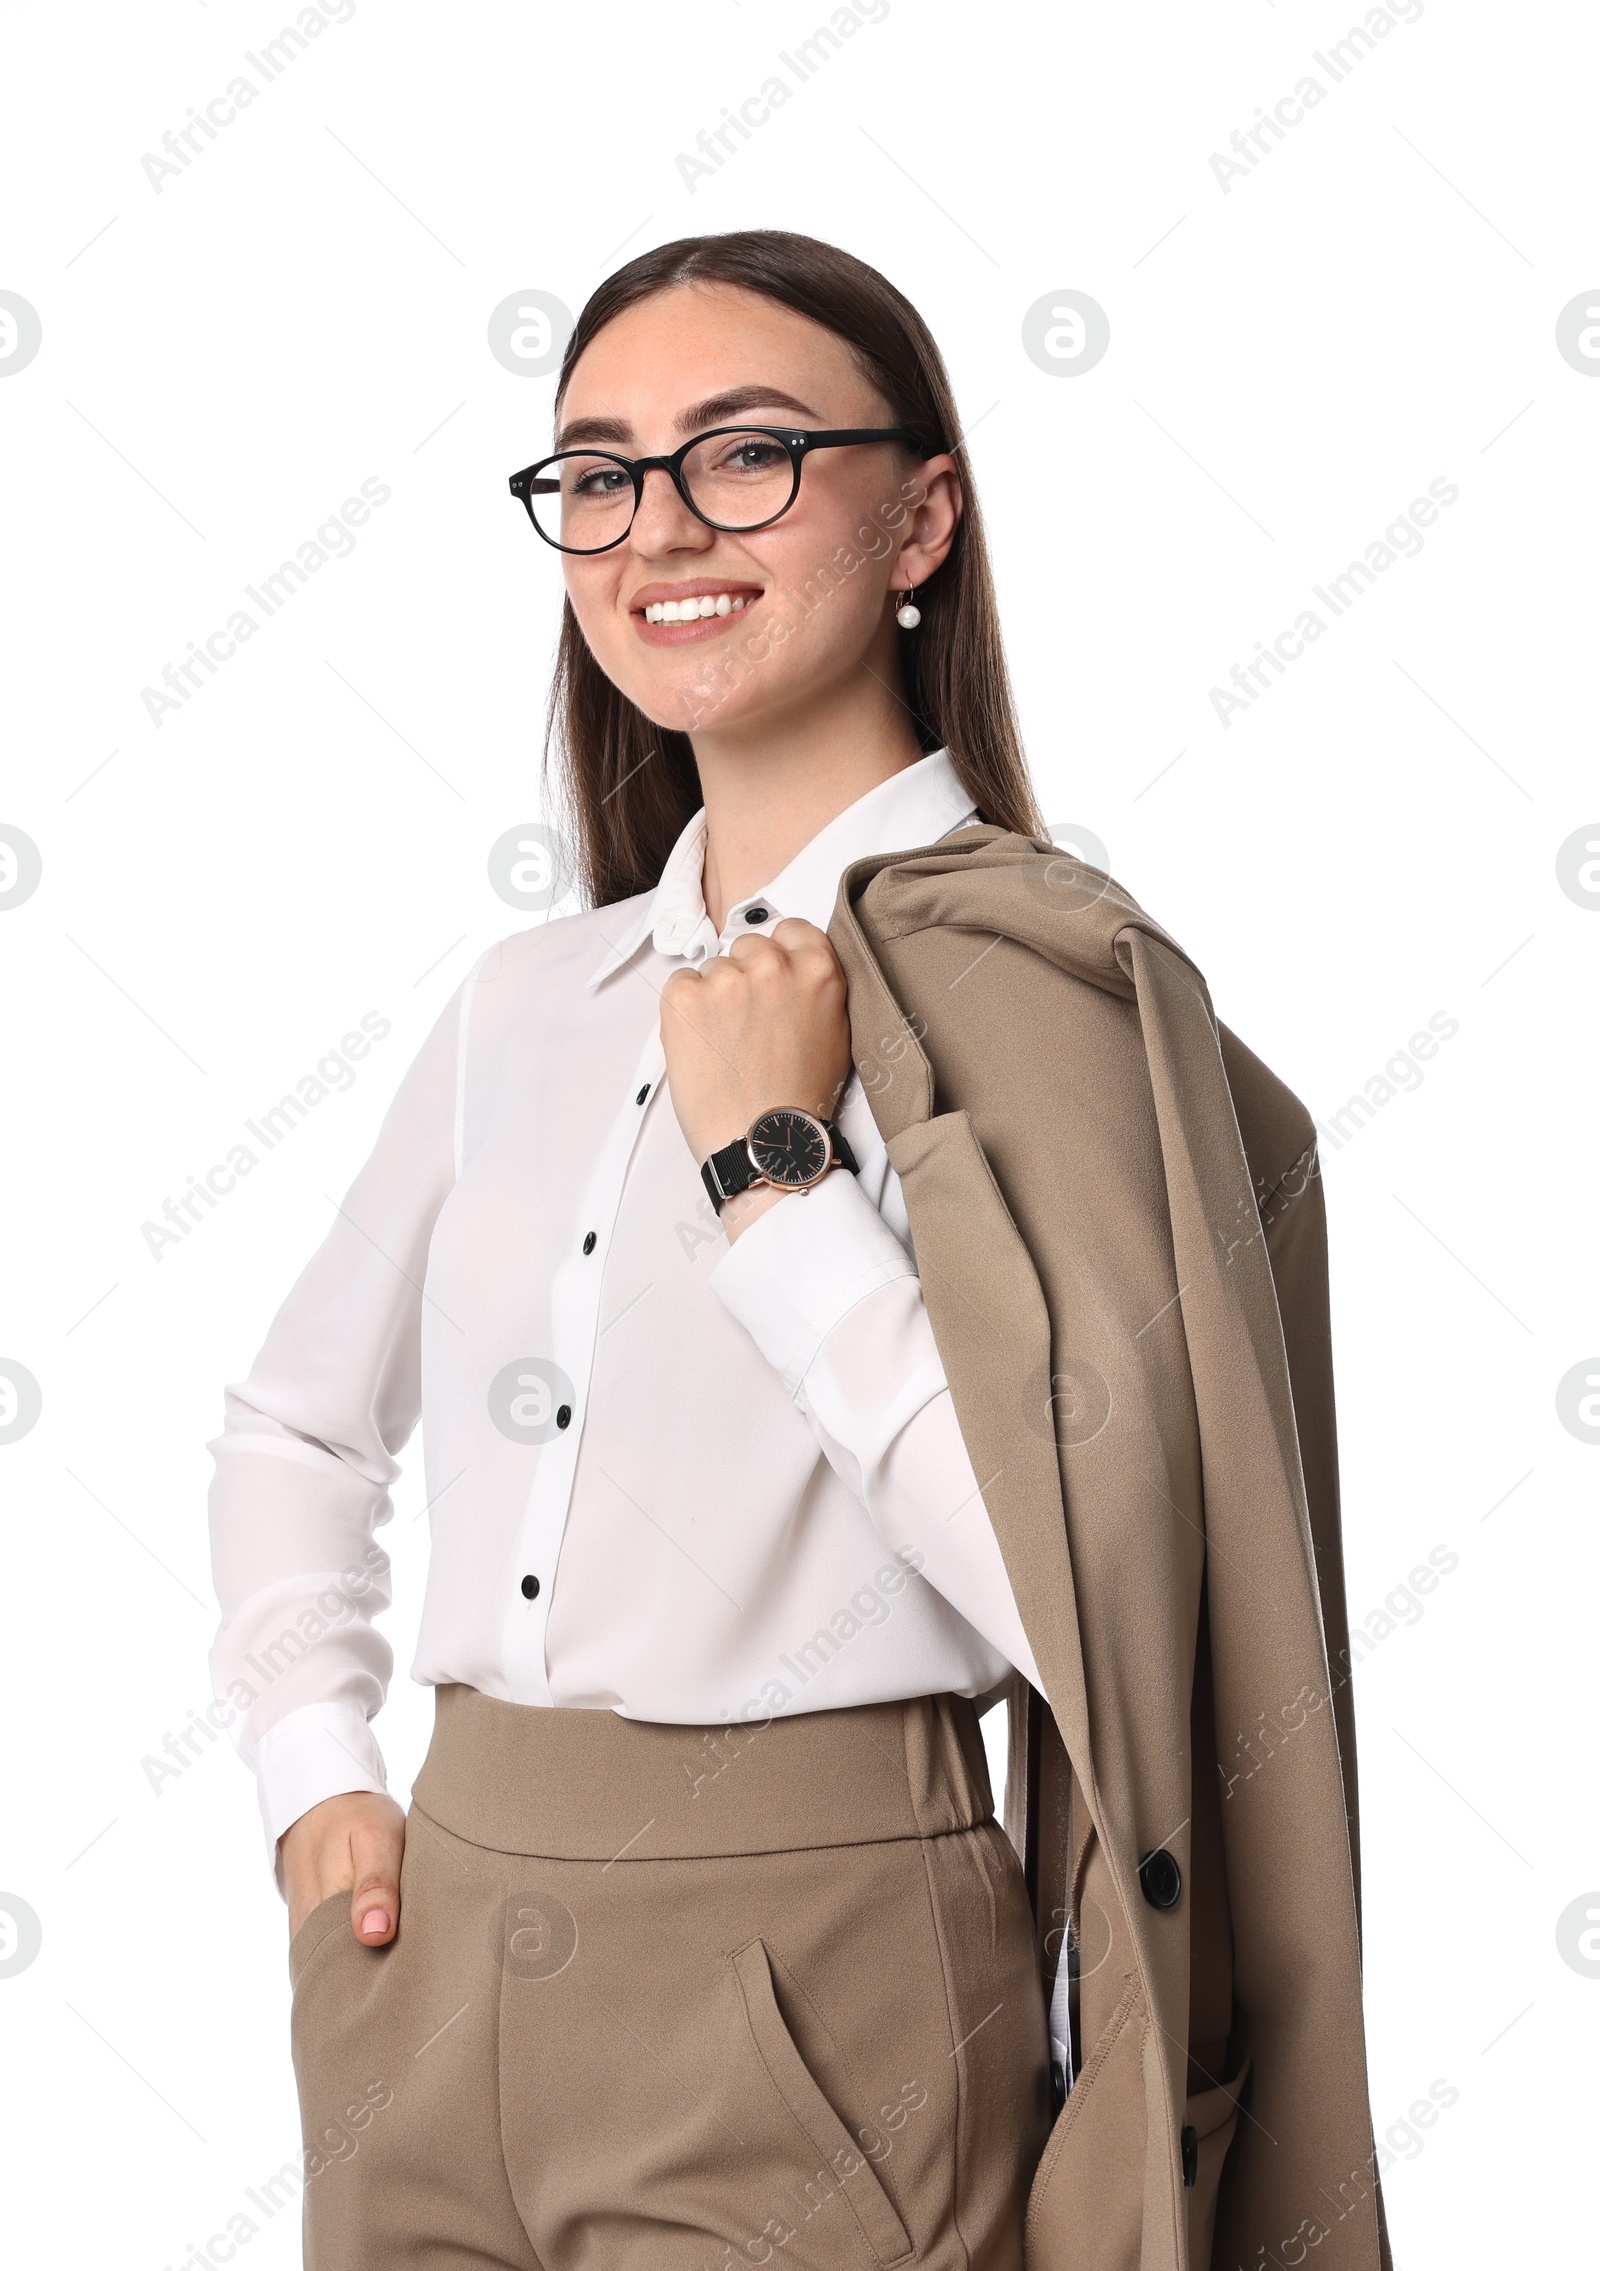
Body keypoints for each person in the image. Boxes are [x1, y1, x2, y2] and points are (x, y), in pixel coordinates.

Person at [208, 229, 1062, 2269]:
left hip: (811, 1965)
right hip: (431, 1961)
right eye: (597, 472)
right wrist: (318, 1779)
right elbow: (294, 1426)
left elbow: (1082, 1586)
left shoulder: (1042, 991)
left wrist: (775, 1174)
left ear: (918, 510)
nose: (655, 528)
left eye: (743, 453)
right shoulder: (529, 997)